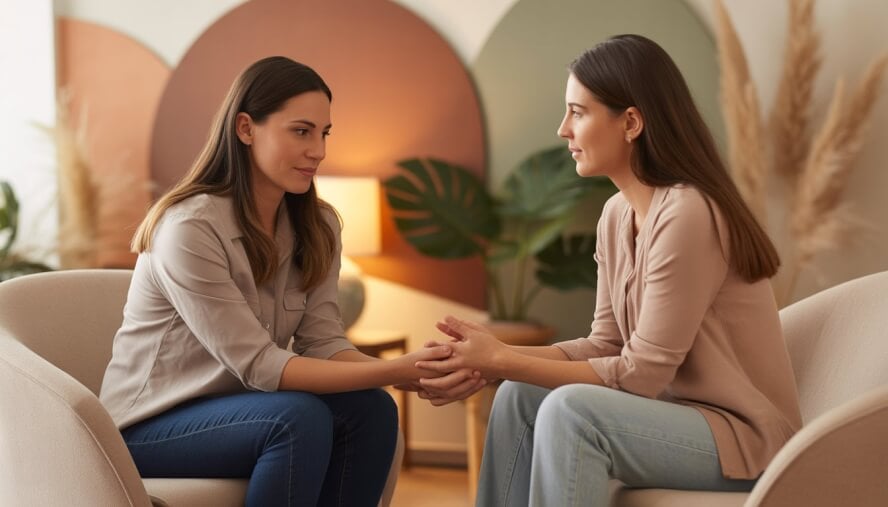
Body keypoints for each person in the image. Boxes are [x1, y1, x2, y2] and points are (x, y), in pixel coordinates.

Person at [414, 34, 803, 506]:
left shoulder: (688, 212)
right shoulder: (617, 214)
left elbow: (641, 376)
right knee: (519, 394)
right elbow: (605, 344)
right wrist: (496, 356)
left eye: (578, 112)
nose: (562, 129)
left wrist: (499, 359)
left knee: (572, 412)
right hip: (671, 417)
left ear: (631, 122)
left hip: (745, 439)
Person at [99, 56, 459, 507]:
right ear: (246, 128)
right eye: (301, 131)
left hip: (246, 412)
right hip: (148, 427)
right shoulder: (188, 228)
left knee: (372, 410)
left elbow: (323, 341)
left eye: (324, 133)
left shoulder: (319, 224)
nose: (319, 151)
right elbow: (262, 366)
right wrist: (393, 370)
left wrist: (410, 369)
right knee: (296, 418)